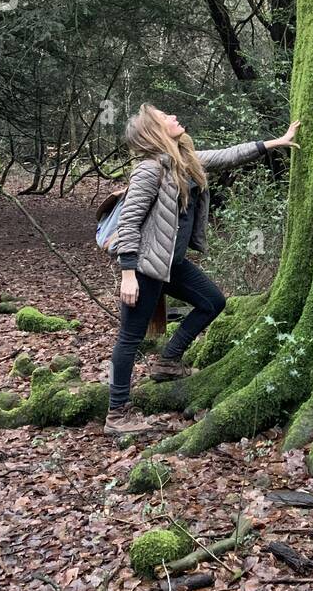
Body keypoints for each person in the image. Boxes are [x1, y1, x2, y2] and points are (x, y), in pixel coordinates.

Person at [104, 103, 300, 436]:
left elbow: (227, 156)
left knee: (212, 301)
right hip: (145, 268)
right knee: (129, 339)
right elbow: (129, 222)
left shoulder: (182, 164)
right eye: (166, 117)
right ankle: (116, 415)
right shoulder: (149, 170)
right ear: (155, 132)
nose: (173, 116)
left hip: (171, 265)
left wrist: (274, 143)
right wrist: (127, 274)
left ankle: (168, 360)